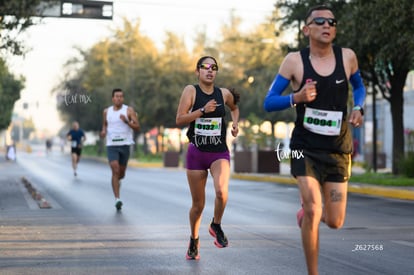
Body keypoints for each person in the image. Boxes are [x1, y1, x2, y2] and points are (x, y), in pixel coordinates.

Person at [263, 5, 366, 275]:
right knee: (313, 208)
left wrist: (359, 107)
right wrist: (295, 98)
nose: (326, 25)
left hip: (337, 150)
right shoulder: (294, 61)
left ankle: (309, 213)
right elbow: (269, 102)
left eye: (331, 21)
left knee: (335, 221)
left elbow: (359, 87)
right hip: (303, 149)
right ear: (306, 29)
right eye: (319, 21)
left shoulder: (348, 58)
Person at [176, 56, 240, 260]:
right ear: (198, 71)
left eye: (214, 67)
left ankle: (216, 224)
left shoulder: (224, 94)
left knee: (221, 191)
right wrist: (202, 111)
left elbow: (235, 107)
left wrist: (235, 123)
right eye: (205, 67)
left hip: (219, 151)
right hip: (197, 153)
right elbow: (179, 119)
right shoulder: (191, 91)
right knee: (198, 205)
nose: (210, 71)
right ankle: (194, 240)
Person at [100, 88, 140, 210]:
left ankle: (117, 180)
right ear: (113, 98)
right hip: (112, 145)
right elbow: (105, 124)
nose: (119, 98)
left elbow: (137, 127)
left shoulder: (128, 110)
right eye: (117, 96)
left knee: (121, 173)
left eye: (121, 96)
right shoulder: (107, 111)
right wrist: (103, 131)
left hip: (125, 145)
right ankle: (117, 199)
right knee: (115, 169)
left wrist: (127, 121)